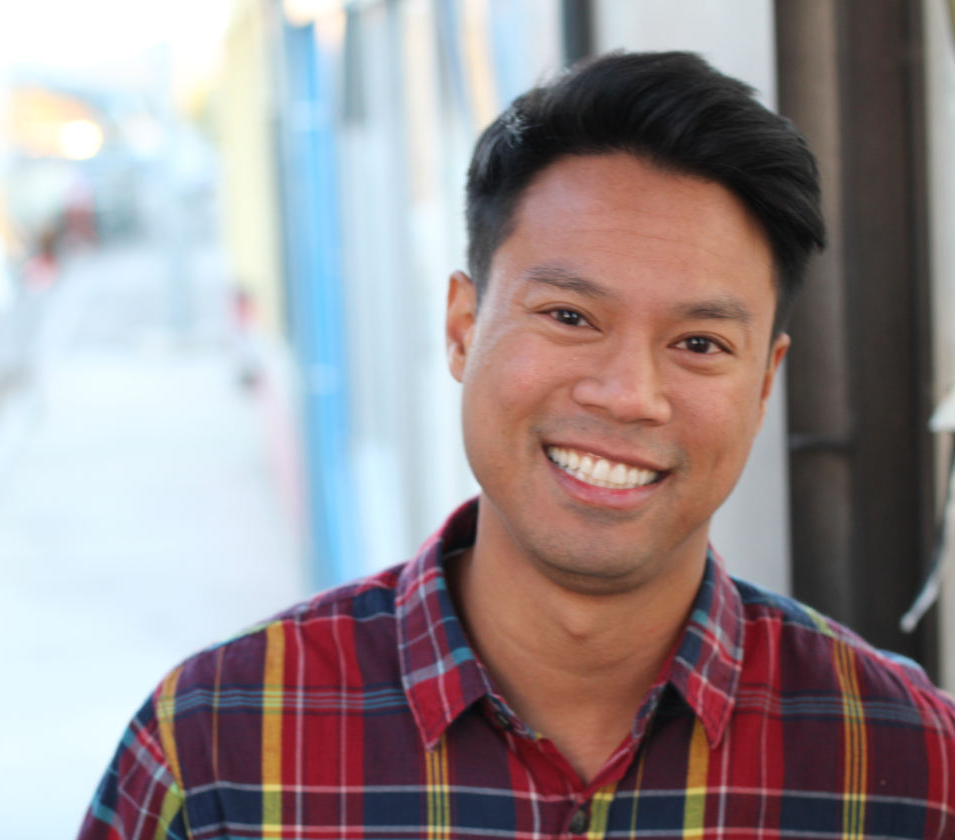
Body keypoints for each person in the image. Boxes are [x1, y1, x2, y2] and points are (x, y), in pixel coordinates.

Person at [78, 52, 955, 840]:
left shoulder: (913, 769)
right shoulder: (220, 751)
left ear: (764, 382)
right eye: (570, 316)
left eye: (699, 344)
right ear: (462, 327)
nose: (627, 395)